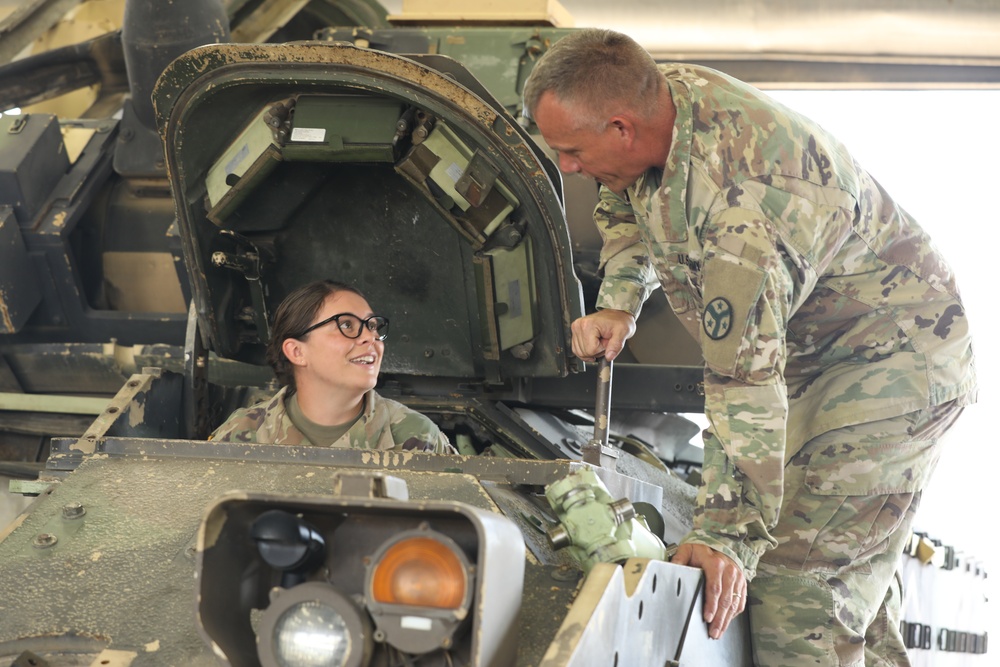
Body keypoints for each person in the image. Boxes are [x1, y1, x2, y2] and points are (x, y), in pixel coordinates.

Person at [524, 29, 976, 666]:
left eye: (570, 150)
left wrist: (724, 536)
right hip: (813, 353)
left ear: (622, 127)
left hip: (891, 362)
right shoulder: (657, 104)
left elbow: (743, 381)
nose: (566, 165)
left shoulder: (747, 210)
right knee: (836, 575)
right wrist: (621, 297)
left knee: (797, 593)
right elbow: (621, 192)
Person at [210, 279, 455, 454]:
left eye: (372, 326)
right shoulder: (243, 435)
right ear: (297, 351)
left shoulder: (418, 438)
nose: (370, 337)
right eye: (347, 325)